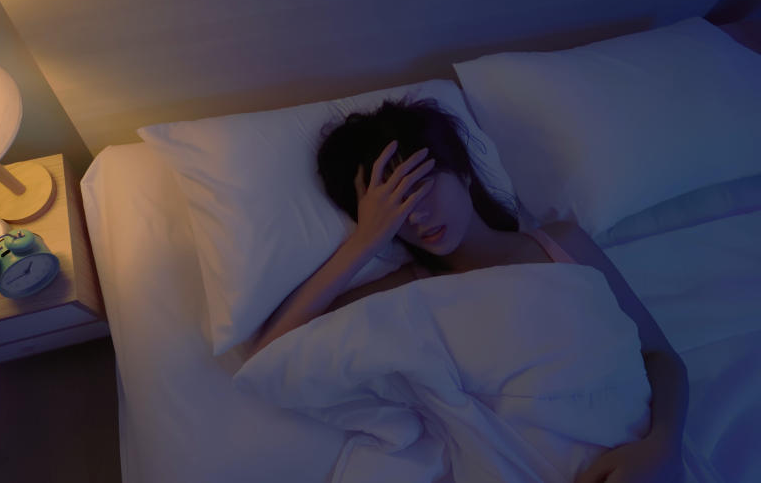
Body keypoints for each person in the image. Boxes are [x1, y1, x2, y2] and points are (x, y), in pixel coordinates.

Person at [248, 98, 689, 483]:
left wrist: (662, 447)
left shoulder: (562, 245)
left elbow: (661, 357)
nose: (416, 217)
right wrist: (364, 243)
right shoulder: (411, 293)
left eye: (420, 186)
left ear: (462, 170)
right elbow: (275, 354)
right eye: (393, 206)